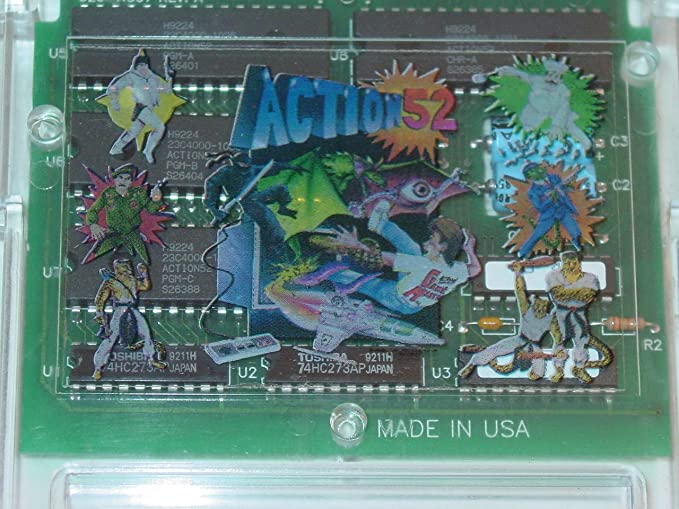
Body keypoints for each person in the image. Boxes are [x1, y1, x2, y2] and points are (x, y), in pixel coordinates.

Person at [299, 210, 481, 315]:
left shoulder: (420, 264)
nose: (426, 241)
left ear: (442, 247)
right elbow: (475, 269)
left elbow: (382, 258)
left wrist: (356, 244)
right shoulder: (457, 270)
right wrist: (469, 250)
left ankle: (310, 272)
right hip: (415, 300)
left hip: (396, 298)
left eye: (431, 239)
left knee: (360, 281)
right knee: (411, 247)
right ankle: (379, 223)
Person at [458, 261, 562, 380]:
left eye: (543, 306)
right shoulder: (526, 310)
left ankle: (535, 372)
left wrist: (558, 351)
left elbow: (557, 337)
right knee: (494, 350)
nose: (540, 308)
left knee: (538, 373)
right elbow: (520, 291)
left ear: (547, 307)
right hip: (519, 339)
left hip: (534, 346)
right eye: (537, 305)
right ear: (533, 305)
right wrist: (517, 273)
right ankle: (471, 364)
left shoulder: (550, 320)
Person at [203, 148, 297, 246]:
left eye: (246, 165)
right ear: (235, 163)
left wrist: (292, 167)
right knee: (269, 219)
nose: (245, 168)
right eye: (242, 165)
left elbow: (272, 167)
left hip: (256, 196)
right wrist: (213, 209)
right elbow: (211, 184)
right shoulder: (227, 171)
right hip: (242, 202)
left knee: (281, 188)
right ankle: (276, 242)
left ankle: (283, 208)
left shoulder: (252, 169)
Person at [92, 259, 167, 381]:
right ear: (118, 269)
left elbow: (145, 286)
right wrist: (99, 314)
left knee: (146, 333)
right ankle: (98, 367)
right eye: (124, 266)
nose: (127, 268)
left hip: (132, 309)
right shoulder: (111, 282)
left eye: (127, 266)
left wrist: (145, 274)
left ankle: (151, 359)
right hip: (120, 311)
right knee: (110, 338)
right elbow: (100, 299)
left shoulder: (133, 280)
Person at [493, 58, 591, 151]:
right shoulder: (536, 80)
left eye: (556, 76)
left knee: (571, 126)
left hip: (554, 112)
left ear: (560, 78)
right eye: (551, 74)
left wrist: (557, 125)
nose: (552, 78)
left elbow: (564, 108)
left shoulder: (563, 90)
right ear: (546, 74)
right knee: (526, 127)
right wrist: (506, 70)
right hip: (534, 109)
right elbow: (521, 75)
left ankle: (587, 146)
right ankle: (522, 146)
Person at [546, 251, 612, 383]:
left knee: (581, 342)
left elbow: (588, 296)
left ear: (579, 263)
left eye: (574, 263)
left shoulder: (590, 278)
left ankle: (580, 368)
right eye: (567, 263)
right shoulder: (553, 276)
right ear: (562, 263)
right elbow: (558, 295)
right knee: (559, 341)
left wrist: (567, 291)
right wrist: (578, 291)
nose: (571, 266)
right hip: (560, 313)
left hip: (579, 314)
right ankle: (559, 369)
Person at [83, 164, 165, 264]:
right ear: (115, 180)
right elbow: (93, 210)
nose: (123, 181)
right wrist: (93, 225)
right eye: (120, 178)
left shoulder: (138, 194)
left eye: (127, 179)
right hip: (113, 233)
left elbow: (151, 209)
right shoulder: (108, 194)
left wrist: (156, 200)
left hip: (132, 233)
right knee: (92, 256)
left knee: (145, 260)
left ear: (131, 182)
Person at [106, 49, 174, 164]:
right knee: (159, 127)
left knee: (132, 132)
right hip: (141, 108)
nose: (143, 67)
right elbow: (113, 88)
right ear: (136, 66)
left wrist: (169, 78)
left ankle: (115, 149)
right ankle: (148, 151)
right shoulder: (131, 77)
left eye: (145, 65)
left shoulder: (153, 78)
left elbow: (167, 90)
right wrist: (114, 102)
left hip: (149, 108)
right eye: (140, 65)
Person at [517, 163, 582, 258]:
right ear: (530, 177)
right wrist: (549, 197)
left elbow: (563, 189)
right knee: (538, 233)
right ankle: (523, 252)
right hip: (548, 214)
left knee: (575, 232)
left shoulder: (554, 178)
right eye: (533, 171)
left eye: (537, 168)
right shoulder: (532, 192)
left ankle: (578, 245)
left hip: (562, 210)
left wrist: (563, 189)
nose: (538, 171)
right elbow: (540, 207)